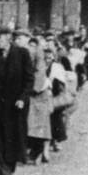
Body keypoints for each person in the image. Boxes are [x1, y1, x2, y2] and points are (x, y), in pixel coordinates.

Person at [0, 28, 34, 175]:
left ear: (8, 38)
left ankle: (7, 170)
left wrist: (22, 98)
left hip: (15, 106)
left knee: (12, 139)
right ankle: (4, 173)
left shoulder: (22, 54)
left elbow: (29, 79)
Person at [25, 37, 53, 165]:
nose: (31, 48)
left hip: (39, 94)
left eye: (33, 45)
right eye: (29, 45)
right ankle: (35, 151)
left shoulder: (40, 59)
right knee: (33, 124)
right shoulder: (29, 58)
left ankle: (39, 150)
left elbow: (39, 75)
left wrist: (32, 88)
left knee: (39, 124)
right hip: (34, 93)